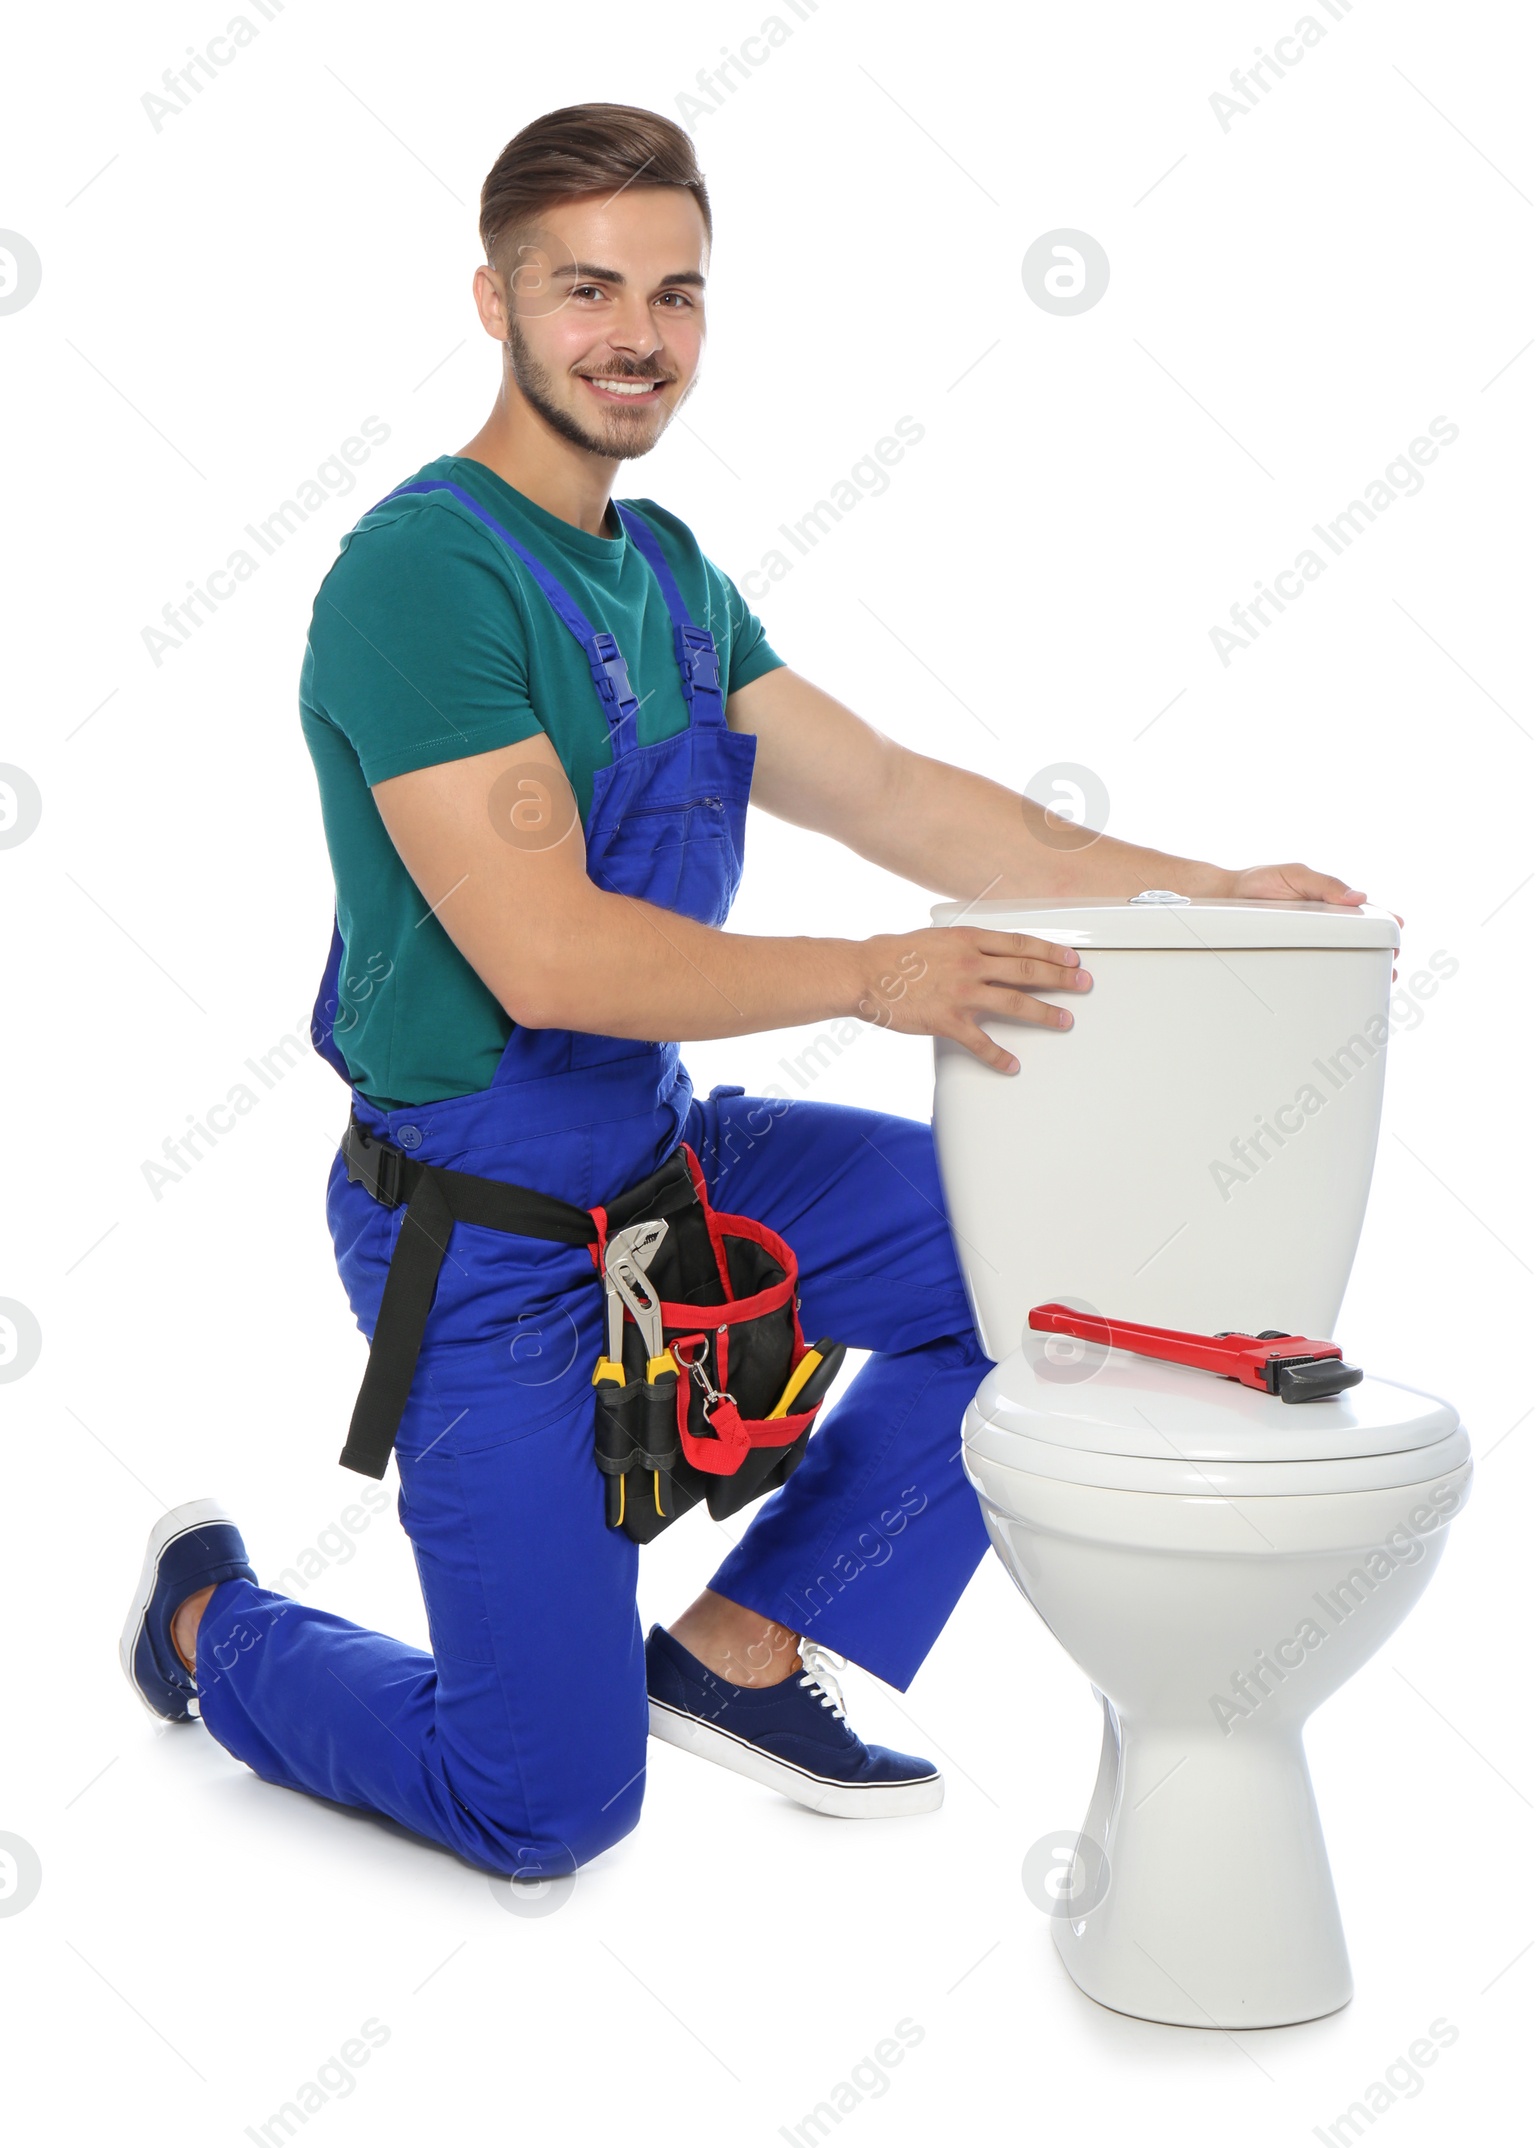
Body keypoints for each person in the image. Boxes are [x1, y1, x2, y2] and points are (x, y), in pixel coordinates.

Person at [120, 104, 1368, 1881]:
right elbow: (543, 952)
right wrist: (876, 977)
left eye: (676, 295)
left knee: (1049, 1276)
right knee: (546, 1802)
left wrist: (1197, 885)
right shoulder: (424, 578)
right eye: (588, 290)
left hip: (663, 1163)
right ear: (494, 302)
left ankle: (737, 1651)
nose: (637, 336)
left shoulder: (676, 580)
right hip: (480, 1236)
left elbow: (892, 794)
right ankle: (207, 1633)